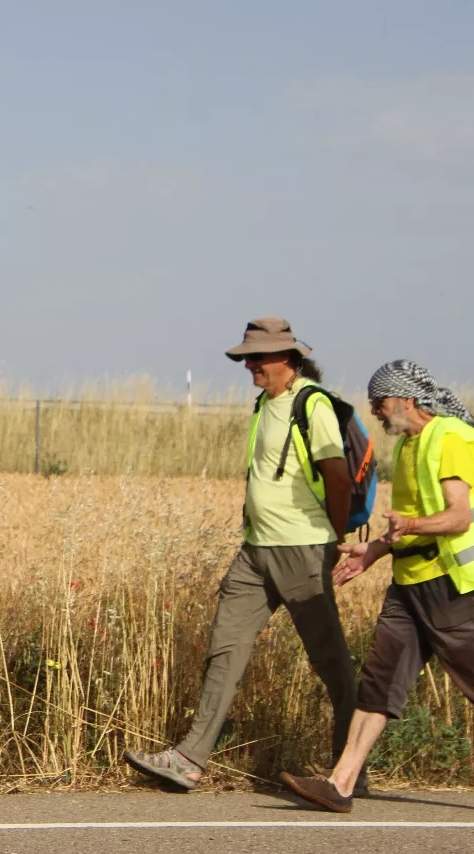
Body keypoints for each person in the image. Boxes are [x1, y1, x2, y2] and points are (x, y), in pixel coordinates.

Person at [281, 360, 474, 818]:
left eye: (381, 402)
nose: (376, 411)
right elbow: (408, 525)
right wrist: (374, 552)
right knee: (380, 681)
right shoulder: (412, 445)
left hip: (447, 585)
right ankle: (340, 783)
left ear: (407, 400)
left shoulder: (447, 440)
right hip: (410, 583)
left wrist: (411, 524)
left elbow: (457, 517)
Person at [126, 318, 359, 791]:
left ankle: (351, 770)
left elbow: (337, 475)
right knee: (224, 651)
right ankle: (189, 759)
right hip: (255, 552)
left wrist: (333, 540)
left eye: (257, 357)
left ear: (287, 358)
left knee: (331, 663)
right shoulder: (265, 403)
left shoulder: (311, 404)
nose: (249, 365)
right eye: (245, 358)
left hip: (301, 551)